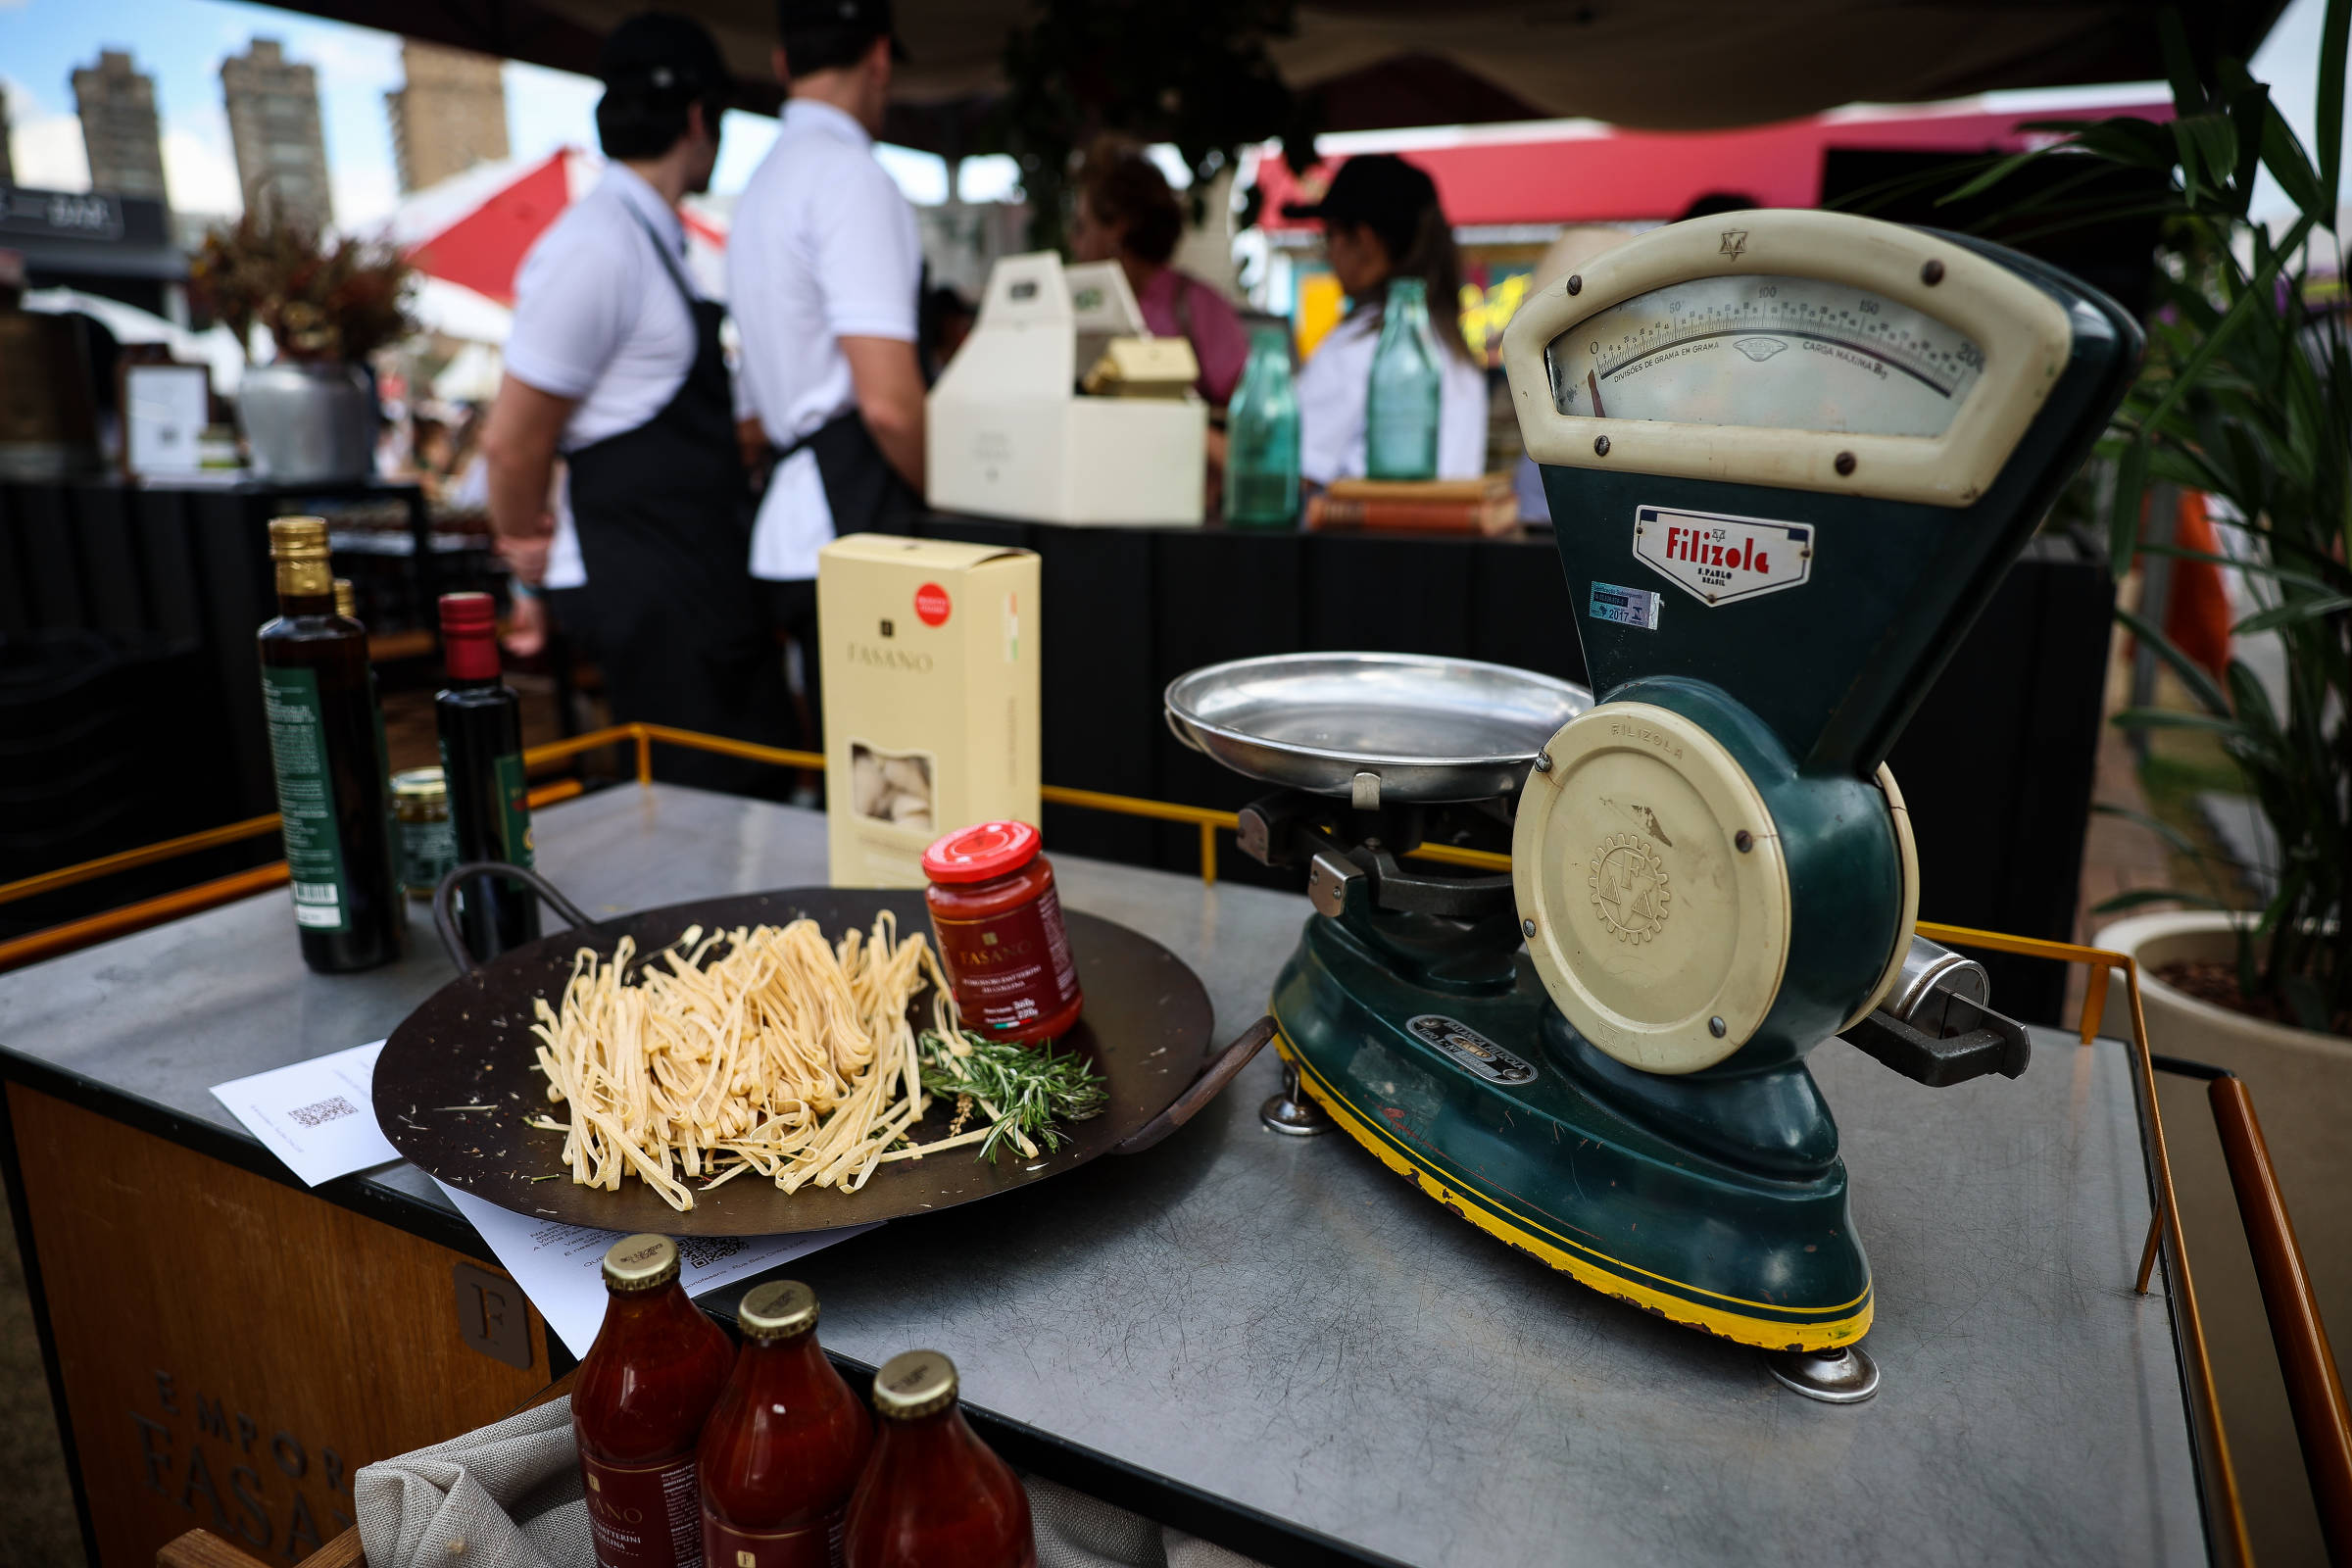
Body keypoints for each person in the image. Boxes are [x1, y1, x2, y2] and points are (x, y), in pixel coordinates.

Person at [481, 11, 789, 795]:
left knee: (746, 811)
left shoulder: (649, 236)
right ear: (697, 118)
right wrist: (525, 567)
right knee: (695, 828)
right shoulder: (597, 243)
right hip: (653, 601)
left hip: (698, 587)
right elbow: (512, 443)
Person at [729, 0, 926, 760]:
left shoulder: (764, 181)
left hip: (793, 518)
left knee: (850, 775)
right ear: (879, 58)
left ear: (783, 63)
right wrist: (945, 494)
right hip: (852, 513)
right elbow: (888, 404)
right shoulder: (847, 175)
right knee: (896, 777)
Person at [1284, 153, 1488, 486]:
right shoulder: (1450, 343)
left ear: (1364, 240)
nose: (1328, 253)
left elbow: (1285, 469)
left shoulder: (1362, 343)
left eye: (1329, 235)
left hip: (1372, 534)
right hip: (1439, 533)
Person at [1068, 136, 1250, 405]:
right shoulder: (1081, 307)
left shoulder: (1197, 307)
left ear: (1118, 228)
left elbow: (1253, 430)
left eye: (1081, 227)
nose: (1074, 243)